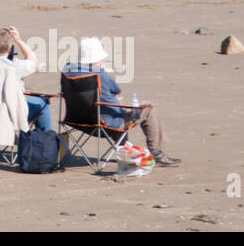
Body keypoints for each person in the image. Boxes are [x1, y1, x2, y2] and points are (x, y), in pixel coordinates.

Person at [63, 37, 180, 166]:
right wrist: (114, 98)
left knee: (114, 110)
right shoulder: (100, 75)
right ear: (99, 59)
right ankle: (156, 153)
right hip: (104, 124)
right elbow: (117, 89)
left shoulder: (68, 72)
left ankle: (124, 150)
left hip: (77, 120)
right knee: (148, 109)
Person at [0, 26, 53, 131]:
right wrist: (18, 40)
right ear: (9, 48)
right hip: (9, 115)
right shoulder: (14, 66)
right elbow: (33, 60)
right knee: (42, 103)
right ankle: (44, 140)